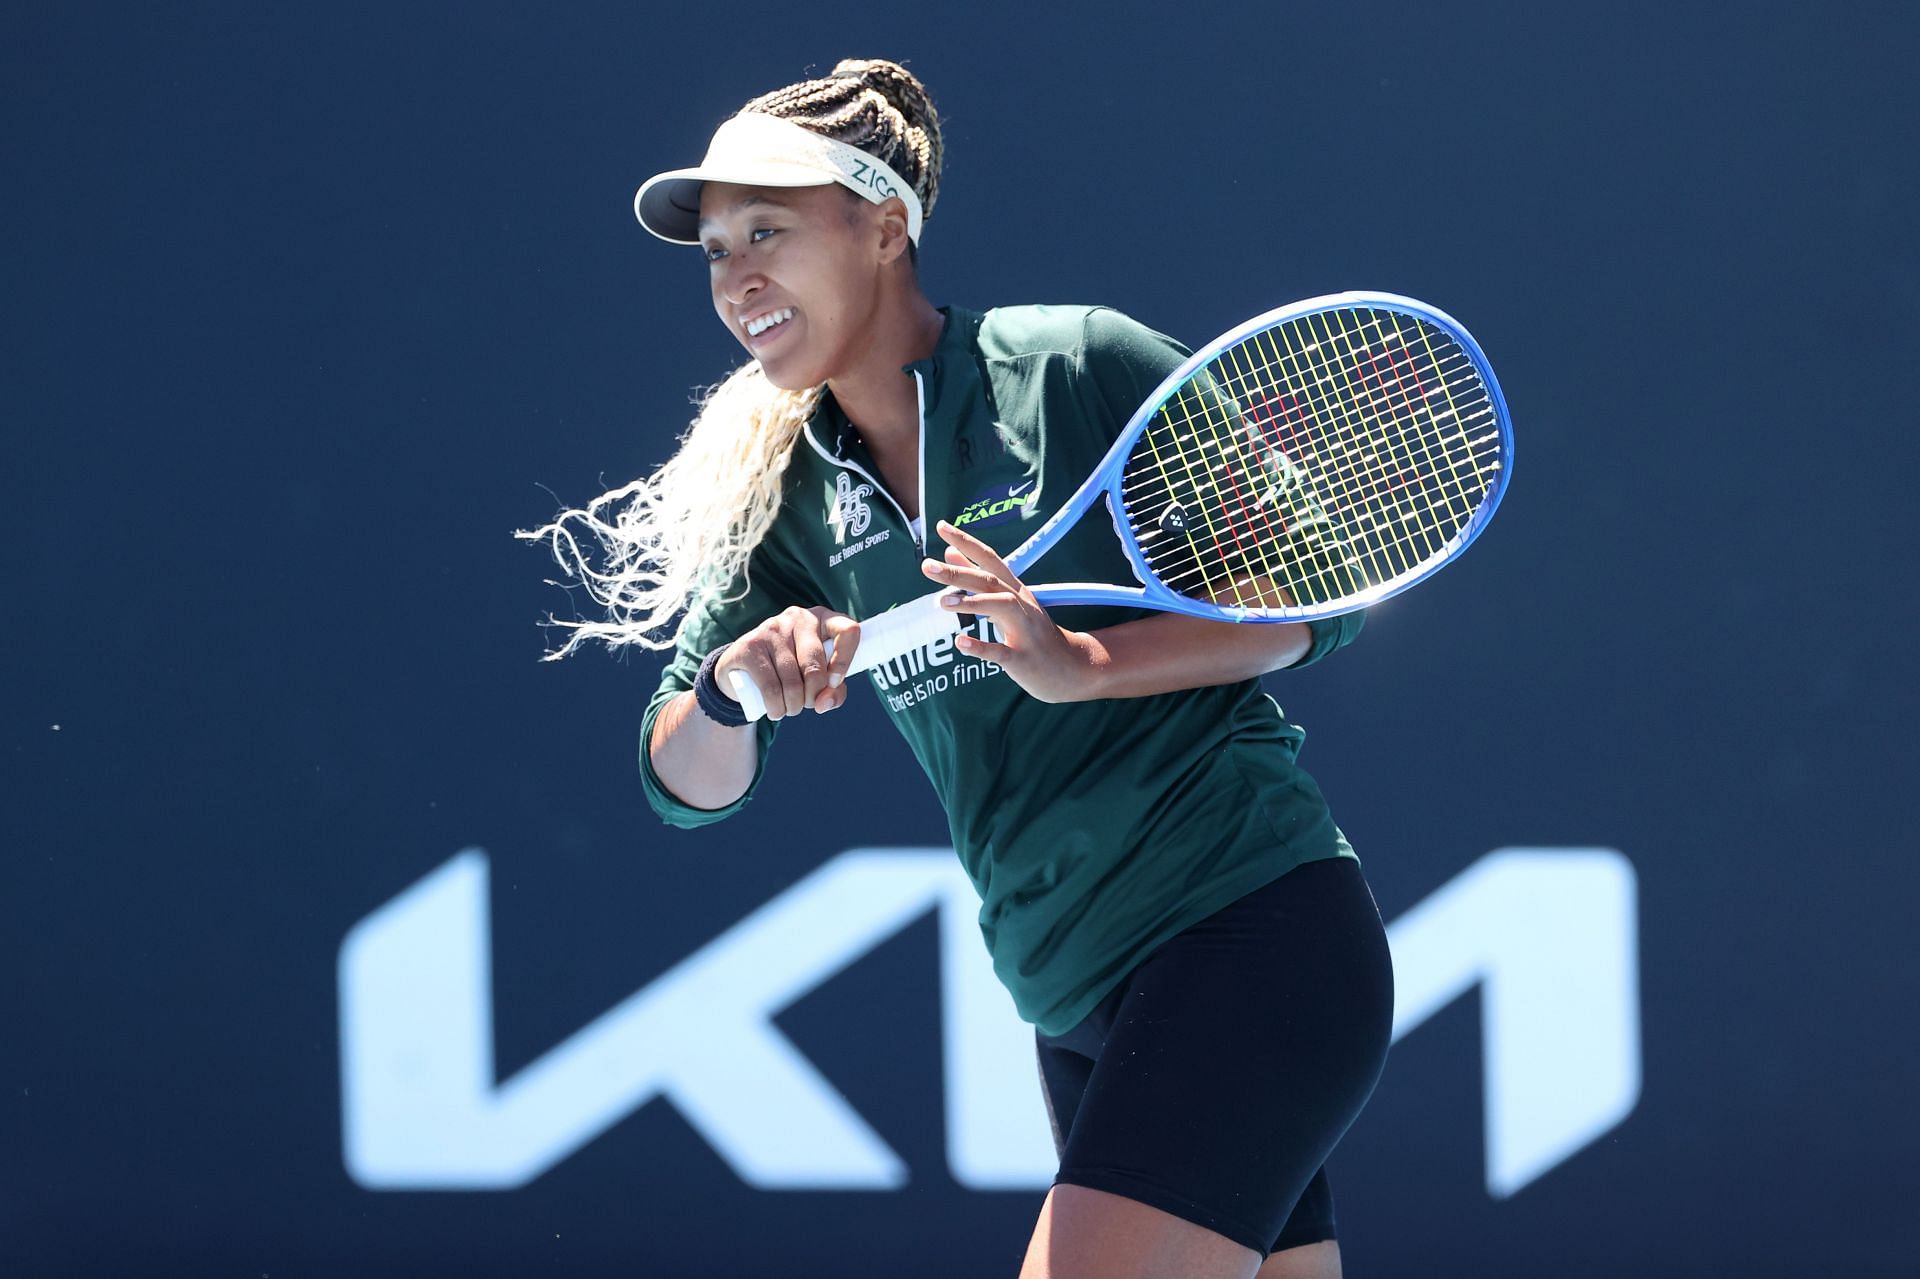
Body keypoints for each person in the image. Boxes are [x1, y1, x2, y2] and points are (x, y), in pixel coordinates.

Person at [523, 58, 1394, 1279]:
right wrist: (735, 685)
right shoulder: (793, 498)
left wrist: (1081, 661)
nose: (736, 279)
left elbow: (1324, 595)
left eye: (767, 230)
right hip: (1071, 997)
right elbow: (686, 778)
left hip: (1243, 927)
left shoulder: (1074, 366)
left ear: (884, 228)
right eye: (717, 250)